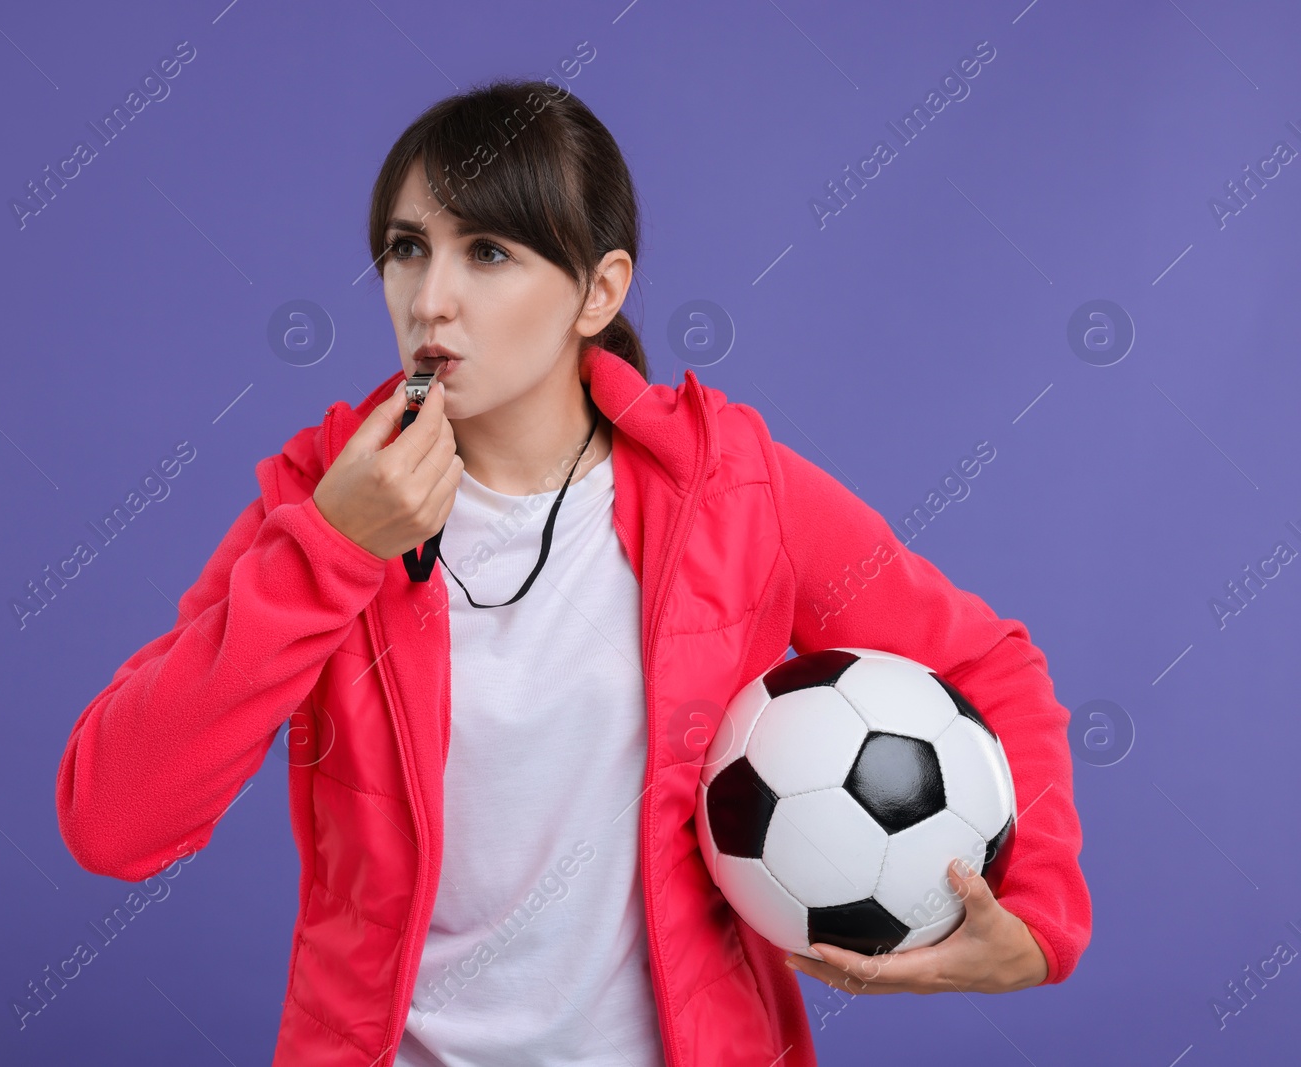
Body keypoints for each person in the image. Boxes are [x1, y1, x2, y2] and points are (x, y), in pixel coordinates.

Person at [55, 78, 1091, 1066]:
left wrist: (1034, 914)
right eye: (406, 250)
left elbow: (987, 663)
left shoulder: (728, 486)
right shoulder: (322, 497)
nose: (431, 299)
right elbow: (114, 818)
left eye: (489, 252)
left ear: (600, 289)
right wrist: (332, 550)